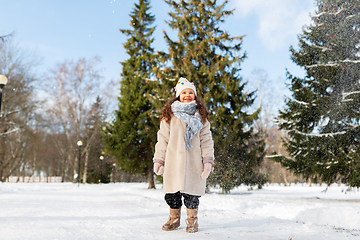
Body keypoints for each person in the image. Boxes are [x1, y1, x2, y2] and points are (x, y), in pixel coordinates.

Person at [153, 77, 215, 233]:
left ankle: (192, 221)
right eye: (184, 92)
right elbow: (163, 139)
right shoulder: (169, 116)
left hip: (193, 162)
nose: (187, 95)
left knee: (191, 194)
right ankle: (174, 219)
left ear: (195, 95)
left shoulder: (201, 117)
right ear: (178, 95)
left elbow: (206, 140)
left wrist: (207, 162)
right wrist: (159, 160)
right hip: (173, 161)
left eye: (190, 92)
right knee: (171, 193)